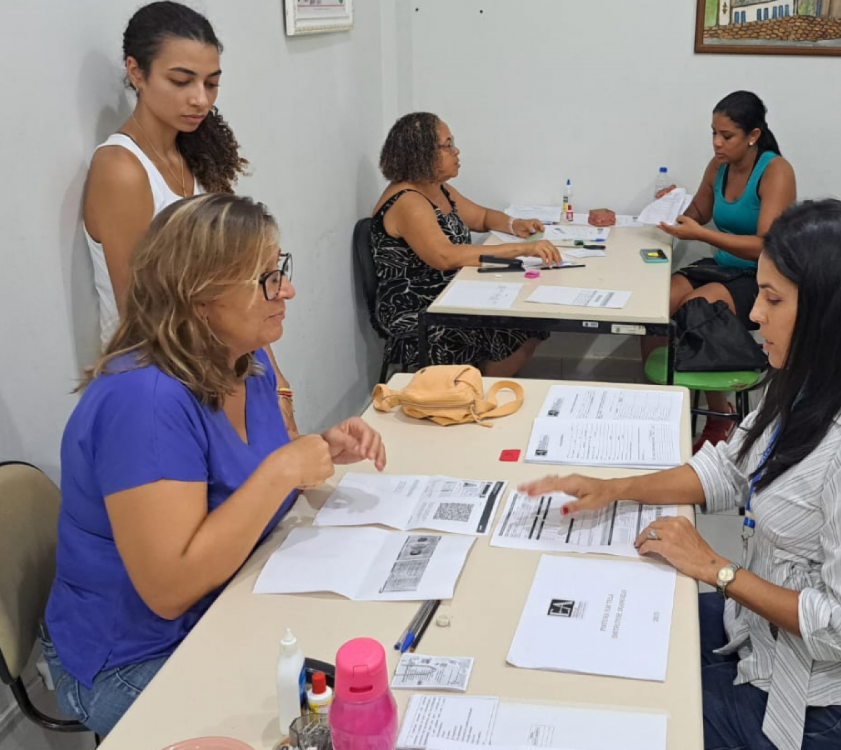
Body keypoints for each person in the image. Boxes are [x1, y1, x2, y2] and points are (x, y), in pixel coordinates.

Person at [523, 200, 841, 750]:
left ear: (829, 310)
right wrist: (616, 488)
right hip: (761, 638)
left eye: (772, 299)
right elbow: (730, 467)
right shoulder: (812, 375)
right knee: (597, 636)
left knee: (624, 718)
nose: (753, 316)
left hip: (829, 701)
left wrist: (716, 569)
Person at [42, 194, 388, 736]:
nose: (287, 290)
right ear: (200, 298)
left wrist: (319, 449)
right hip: (135, 655)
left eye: (282, 271)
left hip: (227, 602)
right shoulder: (145, 401)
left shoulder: (245, 365)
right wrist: (282, 470)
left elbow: (244, 483)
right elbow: (169, 588)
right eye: (266, 280)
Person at [83, 2, 298, 435]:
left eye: (211, 83)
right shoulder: (122, 169)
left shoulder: (198, 161)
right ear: (136, 71)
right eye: (181, 81)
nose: (200, 99)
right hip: (163, 383)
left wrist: (276, 385)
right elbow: (142, 313)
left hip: (222, 368)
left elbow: (247, 286)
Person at [649, 91, 797, 449]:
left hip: (760, 277)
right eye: (713, 133)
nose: (717, 143)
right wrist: (671, 207)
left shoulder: (775, 171)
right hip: (722, 267)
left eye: (726, 136)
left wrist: (702, 234)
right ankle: (661, 405)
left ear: (753, 135)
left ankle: (718, 418)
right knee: (653, 306)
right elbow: (698, 213)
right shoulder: (718, 167)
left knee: (695, 310)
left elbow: (767, 244)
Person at [370, 112, 563, 375]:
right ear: (422, 153)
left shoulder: (437, 188)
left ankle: (479, 387)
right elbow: (446, 256)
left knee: (526, 315)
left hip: (451, 289)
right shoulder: (408, 201)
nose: (456, 151)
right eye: (447, 145)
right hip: (418, 305)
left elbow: (481, 217)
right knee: (518, 323)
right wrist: (522, 249)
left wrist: (513, 224)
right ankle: (473, 394)